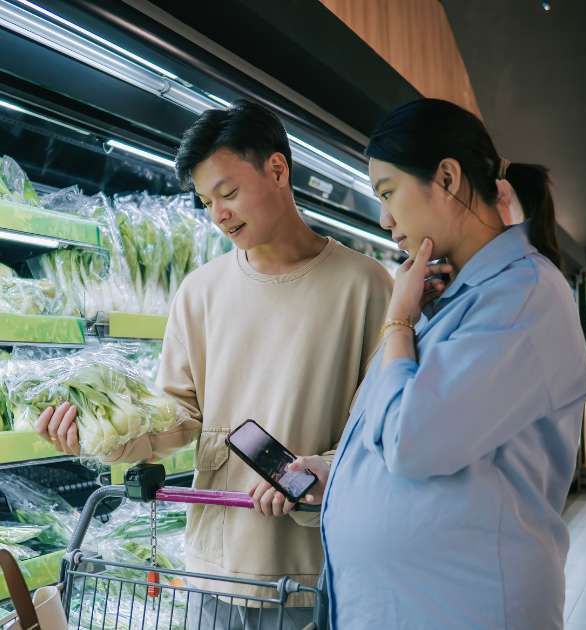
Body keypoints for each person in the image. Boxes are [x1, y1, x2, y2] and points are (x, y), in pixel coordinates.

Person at [35, 100, 395, 628]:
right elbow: (176, 420)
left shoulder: (366, 287)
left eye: (228, 192)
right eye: (206, 201)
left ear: (277, 169)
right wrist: (96, 434)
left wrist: (316, 468)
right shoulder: (199, 292)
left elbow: (382, 431)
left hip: (309, 571)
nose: (218, 214)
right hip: (212, 569)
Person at [285, 98, 586, 629]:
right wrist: (336, 472)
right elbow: (408, 426)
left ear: (447, 177)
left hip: (463, 607)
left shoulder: (523, 297)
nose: (385, 218)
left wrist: (398, 322)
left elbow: (414, 441)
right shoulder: (452, 296)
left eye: (387, 192)